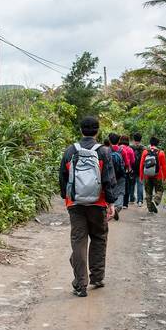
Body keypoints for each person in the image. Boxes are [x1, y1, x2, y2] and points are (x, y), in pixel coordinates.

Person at [58, 116, 119, 297]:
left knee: (78, 241)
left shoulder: (70, 151)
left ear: (81, 130)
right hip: (98, 203)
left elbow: (62, 176)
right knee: (99, 237)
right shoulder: (104, 152)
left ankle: (81, 284)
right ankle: (97, 277)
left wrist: (66, 197)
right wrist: (111, 202)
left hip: (75, 204)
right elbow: (109, 179)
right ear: (97, 131)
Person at [138, 136, 166, 213]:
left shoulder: (145, 152)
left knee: (148, 192)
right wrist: (165, 177)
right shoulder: (161, 153)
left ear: (150, 143)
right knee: (160, 190)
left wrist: (141, 175)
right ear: (157, 144)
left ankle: (150, 209)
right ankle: (155, 201)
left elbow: (141, 165)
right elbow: (164, 167)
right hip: (158, 176)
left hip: (147, 176)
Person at [106, 132, 126, 220]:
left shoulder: (106, 150)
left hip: (109, 174)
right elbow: (127, 163)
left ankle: (108, 208)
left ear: (109, 141)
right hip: (120, 174)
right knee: (121, 191)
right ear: (119, 141)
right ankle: (117, 207)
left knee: (109, 190)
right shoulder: (122, 151)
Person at [119, 134, 135, 209]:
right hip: (126, 169)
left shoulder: (117, 148)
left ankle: (117, 202)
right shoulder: (130, 149)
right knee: (126, 186)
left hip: (116, 169)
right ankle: (125, 204)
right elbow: (133, 160)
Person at [129, 133, 146, 207]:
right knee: (140, 184)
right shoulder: (144, 148)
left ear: (133, 139)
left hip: (132, 169)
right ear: (141, 139)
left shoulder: (130, 147)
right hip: (140, 169)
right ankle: (140, 201)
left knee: (131, 184)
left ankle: (132, 199)